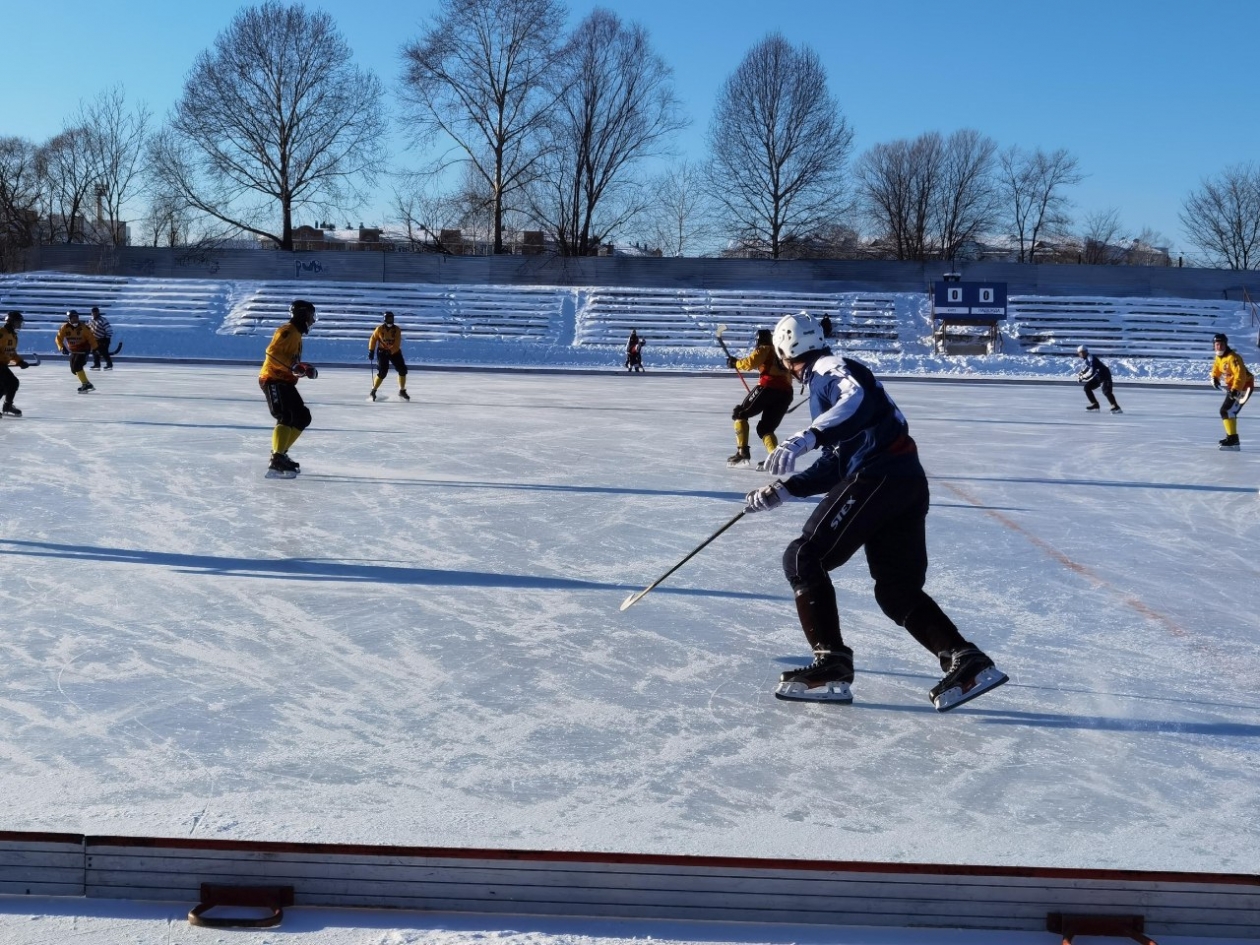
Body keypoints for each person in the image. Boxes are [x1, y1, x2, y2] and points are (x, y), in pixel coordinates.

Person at [743, 311, 1008, 711]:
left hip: (879, 476)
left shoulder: (831, 369)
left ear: (783, 353)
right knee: (895, 590)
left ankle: (831, 661)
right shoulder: (823, 381)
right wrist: (784, 491)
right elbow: (837, 460)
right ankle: (964, 659)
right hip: (902, 480)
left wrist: (806, 436)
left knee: (803, 556)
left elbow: (856, 400)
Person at [259, 299, 319, 478]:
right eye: (310, 316)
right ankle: (277, 458)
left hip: (284, 381)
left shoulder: (297, 335)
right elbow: (272, 353)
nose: (312, 320)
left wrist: (303, 368)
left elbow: (289, 361)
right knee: (284, 415)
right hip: (272, 379)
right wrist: (293, 367)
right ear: (303, 315)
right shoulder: (287, 331)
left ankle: (281, 453)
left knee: (302, 416)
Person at [725, 328, 794, 469]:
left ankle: (742, 452)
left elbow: (750, 363)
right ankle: (775, 459)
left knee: (741, 414)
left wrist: (736, 363)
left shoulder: (765, 348)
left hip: (768, 387)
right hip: (786, 393)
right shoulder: (782, 352)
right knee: (765, 428)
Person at [1210, 332, 1253, 451]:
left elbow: (1241, 375)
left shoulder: (1233, 358)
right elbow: (1216, 369)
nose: (1219, 347)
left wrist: (1236, 390)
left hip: (1244, 386)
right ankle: (1231, 438)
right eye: (1217, 344)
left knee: (1230, 411)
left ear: (1226, 345)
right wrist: (1215, 378)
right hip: (1233, 387)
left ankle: (1234, 440)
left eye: (1221, 344)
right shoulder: (1219, 357)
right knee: (1225, 411)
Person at [367, 311, 410, 402]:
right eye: (389, 319)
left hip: (394, 352)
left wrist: (390, 351)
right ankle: (373, 390)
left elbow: (397, 343)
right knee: (382, 372)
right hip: (382, 352)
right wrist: (371, 350)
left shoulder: (397, 330)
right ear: (385, 319)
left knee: (402, 370)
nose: (390, 321)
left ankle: (402, 390)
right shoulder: (379, 329)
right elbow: (373, 339)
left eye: (392, 319)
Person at [54, 309, 98, 392]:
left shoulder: (84, 328)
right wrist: (62, 347)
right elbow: (58, 338)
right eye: (73, 318)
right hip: (74, 351)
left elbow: (91, 338)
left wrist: (95, 348)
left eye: (76, 317)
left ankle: (86, 384)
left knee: (77, 366)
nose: (75, 320)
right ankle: (86, 383)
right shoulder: (65, 327)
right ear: (69, 319)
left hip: (83, 350)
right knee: (74, 370)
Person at [0, 310, 31, 417]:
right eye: (17, 322)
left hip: (2, 365)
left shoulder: (14, 337)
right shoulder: (1, 333)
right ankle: (7, 406)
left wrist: (20, 361)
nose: (19, 325)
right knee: (11, 383)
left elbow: (11, 353)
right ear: (11, 322)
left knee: (7, 386)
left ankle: (7, 406)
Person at [1075, 346, 1121, 413]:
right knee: (1087, 387)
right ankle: (1095, 404)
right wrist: (1082, 372)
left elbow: (1091, 371)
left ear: (1084, 352)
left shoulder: (1090, 358)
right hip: (1098, 376)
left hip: (1105, 375)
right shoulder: (1088, 358)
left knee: (1106, 391)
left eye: (1080, 353)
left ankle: (1115, 406)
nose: (1079, 355)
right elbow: (1088, 367)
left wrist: (1082, 377)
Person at [88, 306, 115, 370]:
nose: (94, 314)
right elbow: (88, 328)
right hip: (95, 339)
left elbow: (109, 330)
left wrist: (107, 339)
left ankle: (109, 364)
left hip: (103, 339)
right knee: (94, 352)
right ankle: (97, 364)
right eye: (93, 313)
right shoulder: (91, 320)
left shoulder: (103, 320)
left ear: (98, 313)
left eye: (96, 313)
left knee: (104, 352)